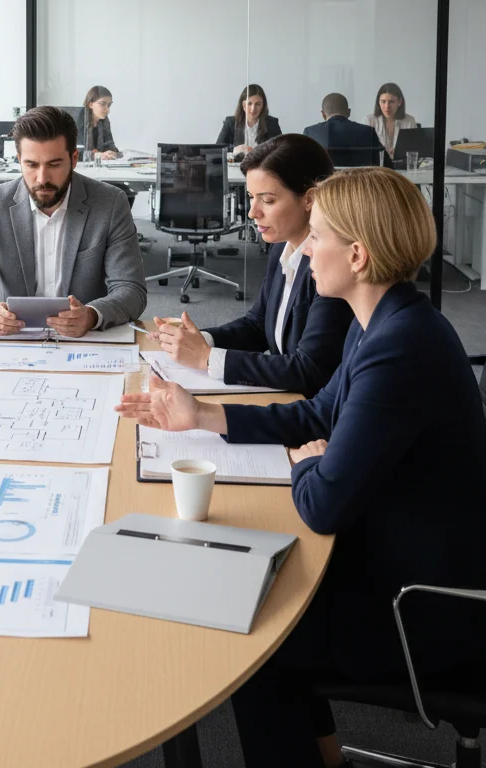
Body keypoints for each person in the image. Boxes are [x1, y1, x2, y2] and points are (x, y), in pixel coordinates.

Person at [118, 166, 486, 768]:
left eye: (317, 236)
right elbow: (316, 415)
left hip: (423, 609)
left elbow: (322, 504)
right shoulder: (390, 321)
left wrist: (307, 466)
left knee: (258, 637)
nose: (306, 249)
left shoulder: (398, 348)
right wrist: (203, 415)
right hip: (398, 554)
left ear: (358, 255)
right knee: (248, 585)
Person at [151, 135, 353, 397]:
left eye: (267, 200)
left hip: (314, 415)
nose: (252, 212)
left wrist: (208, 359)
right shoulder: (282, 245)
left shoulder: (330, 266)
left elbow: (310, 369)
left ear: (309, 199)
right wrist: (200, 340)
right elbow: (258, 325)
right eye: (251, 197)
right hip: (287, 400)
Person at [0, 105, 146, 337]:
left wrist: (93, 315)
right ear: (19, 160)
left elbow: (131, 289)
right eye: (31, 165)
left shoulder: (110, 203)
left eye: (54, 165)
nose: (42, 179)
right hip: (13, 337)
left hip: (85, 338)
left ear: (74, 158)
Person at [303, 92, 385, 167]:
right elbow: (381, 166)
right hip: (360, 182)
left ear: (323, 114)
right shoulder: (368, 132)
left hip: (325, 183)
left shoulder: (310, 132)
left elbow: (304, 166)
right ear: (348, 112)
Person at [216, 84, 282, 157]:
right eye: (249, 104)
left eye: (258, 104)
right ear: (243, 105)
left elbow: (281, 150)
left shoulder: (272, 123)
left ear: (263, 105)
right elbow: (217, 150)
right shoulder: (230, 123)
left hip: (262, 167)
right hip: (236, 167)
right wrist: (234, 150)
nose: (253, 109)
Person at [364, 82, 417, 160]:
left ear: (399, 102)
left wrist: (401, 152)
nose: (387, 106)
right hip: (377, 167)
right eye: (383, 101)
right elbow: (365, 150)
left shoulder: (409, 121)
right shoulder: (369, 121)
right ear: (378, 102)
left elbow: (415, 149)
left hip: (402, 167)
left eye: (391, 101)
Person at [83, 85, 121, 160]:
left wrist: (113, 153)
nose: (107, 110)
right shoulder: (79, 121)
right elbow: (72, 152)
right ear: (90, 104)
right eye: (102, 104)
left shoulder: (104, 121)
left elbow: (110, 146)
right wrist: (95, 155)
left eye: (109, 105)